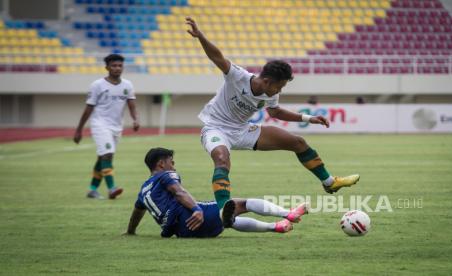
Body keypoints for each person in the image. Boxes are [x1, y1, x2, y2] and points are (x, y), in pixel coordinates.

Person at [185, 17, 360, 209]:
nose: (280, 90)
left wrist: (309, 118)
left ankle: (329, 183)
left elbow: (275, 112)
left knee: (298, 142)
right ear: (267, 81)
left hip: (243, 131)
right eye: (280, 86)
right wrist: (200, 35)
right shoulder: (237, 76)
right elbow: (217, 56)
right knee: (221, 158)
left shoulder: (270, 94)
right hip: (215, 129)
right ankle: (223, 209)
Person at [125, 148, 309, 238]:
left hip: (183, 232)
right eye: (171, 162)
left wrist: (130, 232)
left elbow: (137, 213)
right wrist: (196, 209)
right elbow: (179, 192)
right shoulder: (166, 175)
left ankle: (276, 227)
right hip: (194, 217)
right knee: (239, 204)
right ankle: (288, 214)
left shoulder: (143, 191)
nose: (173, 166)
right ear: (161, 164)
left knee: (228, 219)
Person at [73, 54, 140, 199]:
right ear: (107, 67)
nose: (117, 68)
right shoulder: (97, 85)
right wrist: (79, 130)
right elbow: (88, 108)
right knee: (107, 155)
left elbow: (132, 106)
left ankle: (92, 190)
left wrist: (136, 119)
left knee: (103, 158)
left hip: (116, 127)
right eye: (114, 65)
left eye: (120, 66)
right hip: (100, 125)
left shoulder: (127, 85)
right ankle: (112, 189)